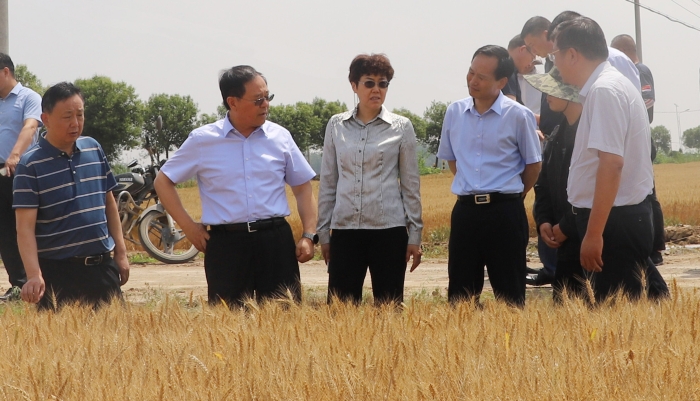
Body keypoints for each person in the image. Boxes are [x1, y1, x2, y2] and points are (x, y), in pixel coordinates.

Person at [154, 65, 318, 307]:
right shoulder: (203, 140)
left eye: (268, 97)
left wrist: (308, 235)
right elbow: (163, 181)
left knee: (284, 319)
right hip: (226, 247)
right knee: (227, 321)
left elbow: (303, 188)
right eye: (258, 99)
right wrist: (189, 227)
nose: (266, 105)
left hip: (275, 243)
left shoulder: (280, 137)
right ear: (232, 102)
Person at [551, 17, 665, 302]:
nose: (555, 65)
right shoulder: (609, 85)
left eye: (555, 55)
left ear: (572, 54)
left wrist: (593, 234)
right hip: (616, 219)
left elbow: (611, 164)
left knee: (615, 313)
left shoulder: (604, 90)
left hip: (614, 222)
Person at [437, 45, 542, 306]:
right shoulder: (454, 112)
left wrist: (513, 195)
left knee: (510, 297)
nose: (473, 81)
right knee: (460, 297)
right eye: (471, 72)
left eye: (482, 77)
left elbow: (533, 166)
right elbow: (453, 160)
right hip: (465, 213)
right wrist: (473, 185)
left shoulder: (519, 115)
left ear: (502, 82)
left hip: (505, 214)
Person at [13, 82, 130, 309]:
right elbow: (24, 228)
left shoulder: (94, 149)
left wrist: (121, 252)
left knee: (117, 330)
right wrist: (34, 274)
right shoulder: (30, 165)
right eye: (67, 116)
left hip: (102, 268)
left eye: (80, 115)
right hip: (58, 275)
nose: (75, 123)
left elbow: (109, 203)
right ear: (45, 119)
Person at [318, 53, 423, 305]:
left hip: (389, 232)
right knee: (341, 312)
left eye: (382, 83)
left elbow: (410, 185)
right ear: (354, 85)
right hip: (345, 231)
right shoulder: (336, 125)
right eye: (369, 83)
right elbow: (329, 182)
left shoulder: (401, 127)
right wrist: (324, 233)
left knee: (389, 309)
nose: (376, 89)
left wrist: (415, 235)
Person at [525, 67, 586, 301]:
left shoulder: (589, 133)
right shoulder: (558, 133)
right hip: (564, 241)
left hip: (586, 236)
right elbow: (543, 185)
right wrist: (544, 220)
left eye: (552, 90)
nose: (546, 96)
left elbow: (591, 190)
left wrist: (566, 226)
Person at [503, 34, 557, 286]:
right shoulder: (505, 72)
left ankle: (522, 262)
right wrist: (540, 122)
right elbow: (512, 107)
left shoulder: (518, 73)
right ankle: (514, 262)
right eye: (532, 53)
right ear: (521, 48)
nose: (533, 61)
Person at [611, 33, 666, 265]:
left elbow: (647, 100)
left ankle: (655, 246)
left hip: (639, 137)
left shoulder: (639, 70)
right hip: (632, 138)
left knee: (647, 192)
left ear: (623, 51)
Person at [0, 53, 40, 301]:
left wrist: (15, 155)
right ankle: (18, 285)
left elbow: (31, 126)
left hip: (22, 170)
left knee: (27, 226)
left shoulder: (29, 97)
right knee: (4, 229)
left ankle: (41, 279)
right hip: (0, 173)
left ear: (5, 71)